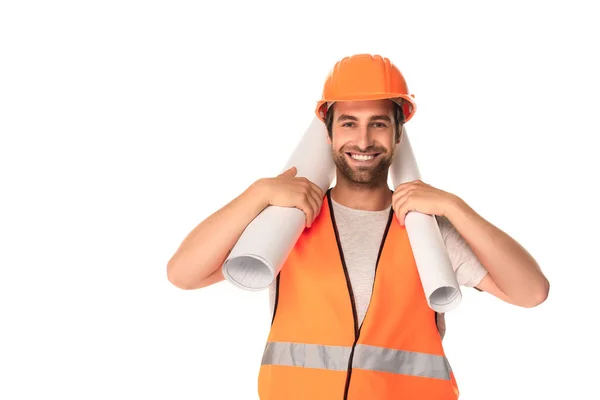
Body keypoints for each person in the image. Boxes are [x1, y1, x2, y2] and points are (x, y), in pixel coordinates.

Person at [167, 54, 549, 399]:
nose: (363, 140)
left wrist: (455, 207)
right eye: (349, 123)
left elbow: (531, 292)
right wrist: (258, 193)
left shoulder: (426, 231)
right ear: (328, 132)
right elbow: (183, 274)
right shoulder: (287, 223)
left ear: (398, 135)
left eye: (378, 124)